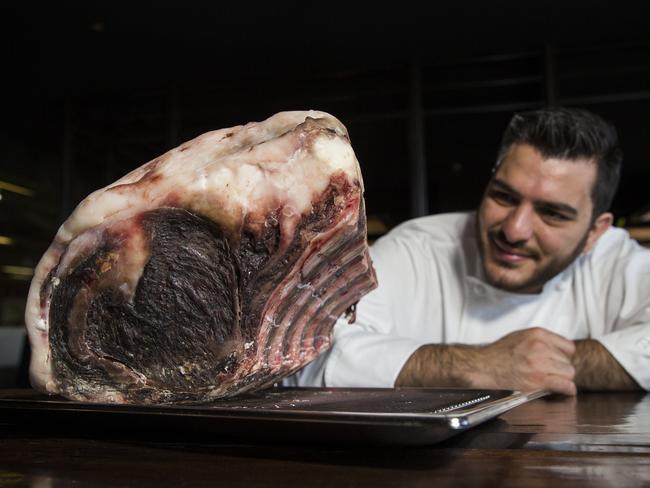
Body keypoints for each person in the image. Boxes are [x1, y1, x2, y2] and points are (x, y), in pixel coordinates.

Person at [289, 107, 650, 395]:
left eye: (552, 214)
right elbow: (306, 357)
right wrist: (477, 366)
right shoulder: (418, 248)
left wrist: (547, 364)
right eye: (504, 196)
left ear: (595, 232)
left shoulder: (615, 261)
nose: (514, 229)